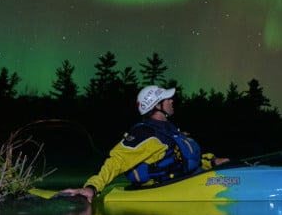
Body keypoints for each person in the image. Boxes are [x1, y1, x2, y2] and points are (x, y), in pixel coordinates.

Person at [61, 85, 228, 202]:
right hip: (165, 190)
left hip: (190, 179)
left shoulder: (169, 129)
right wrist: (91, 188)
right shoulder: (144, 133)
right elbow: (116, 161)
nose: (171, 100)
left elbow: (182, 158)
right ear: (157, 105)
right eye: (167, 99)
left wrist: (211, 161)